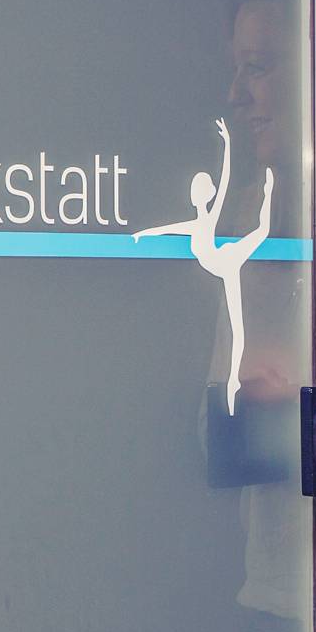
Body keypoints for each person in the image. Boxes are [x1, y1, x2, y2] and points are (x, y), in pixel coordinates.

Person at [133, 117, 274, 414]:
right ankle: (233, 380)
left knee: (237, 325)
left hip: (226, 261)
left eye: (201, 188)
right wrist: (142, 233)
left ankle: (269, 192)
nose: (198, 193)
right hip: (225, 263)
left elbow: (225, 180)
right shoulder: (197, 223)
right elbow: (168, 229)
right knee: (234, 325)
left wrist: (228, 142)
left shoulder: (208, 219)